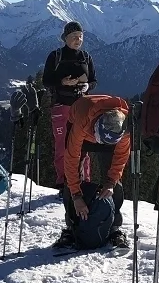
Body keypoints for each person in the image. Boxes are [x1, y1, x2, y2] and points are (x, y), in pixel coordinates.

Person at [53, 94, 130, 250]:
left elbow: (120, 159)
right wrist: (76, 195)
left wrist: (110, 183)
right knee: (72, 177)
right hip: (81, 124)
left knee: (113, 178)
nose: (100, 144)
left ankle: (114, 227)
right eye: (99, 139)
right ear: (96, 126)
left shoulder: (125, 129)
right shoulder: (82, 121)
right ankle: (71, 227)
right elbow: (71, 160)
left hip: (105, 133)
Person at [42, 21, 97, 196]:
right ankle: (63, 182)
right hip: (61, 105)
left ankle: (84, 182)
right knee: (62, 146)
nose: (78, 39)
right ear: (65, 38)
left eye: (80, 36)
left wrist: (86, 86)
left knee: (84, 145)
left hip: (82, 106)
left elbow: (93, 80)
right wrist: (63, 82)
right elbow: (46, 80)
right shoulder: (56, 56)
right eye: (74, 37)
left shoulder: (86, 57)